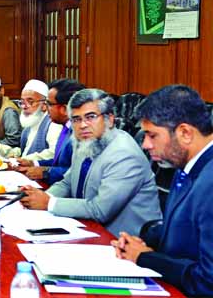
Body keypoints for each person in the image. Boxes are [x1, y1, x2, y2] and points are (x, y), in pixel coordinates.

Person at [111, 85, 213, 296]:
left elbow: (208, 282)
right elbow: (184, 229)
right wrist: (142, 240)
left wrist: (145, 258)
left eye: (152, 135)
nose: (145, 144)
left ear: (185, 133)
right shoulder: (186, 163)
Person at [20, 88, 161, 236]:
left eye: (91, 117)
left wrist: (48, 203)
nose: (82, 125)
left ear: (110, 119)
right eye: (76, 119)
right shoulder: (85, 141)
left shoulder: (124, 154)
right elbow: (67, 183)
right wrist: (39, 198)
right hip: (86, 229)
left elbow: (100, 210)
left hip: (122, 242)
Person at [16, 78, 85, 185]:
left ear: (64, 109)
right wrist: (34, 163)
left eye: (49, 104)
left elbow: (78, 173)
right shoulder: (66, 128)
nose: (45, 108)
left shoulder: (81, 134)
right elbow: (58, 162)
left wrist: (46, 172)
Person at [0, 79, 62, 160]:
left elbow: (54, 153)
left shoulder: (53, 124)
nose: (24, 106)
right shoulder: (30, 124)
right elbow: (24, 152)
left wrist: (25, 160)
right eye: (22, 102)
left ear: (44, 105)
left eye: (30, 102)